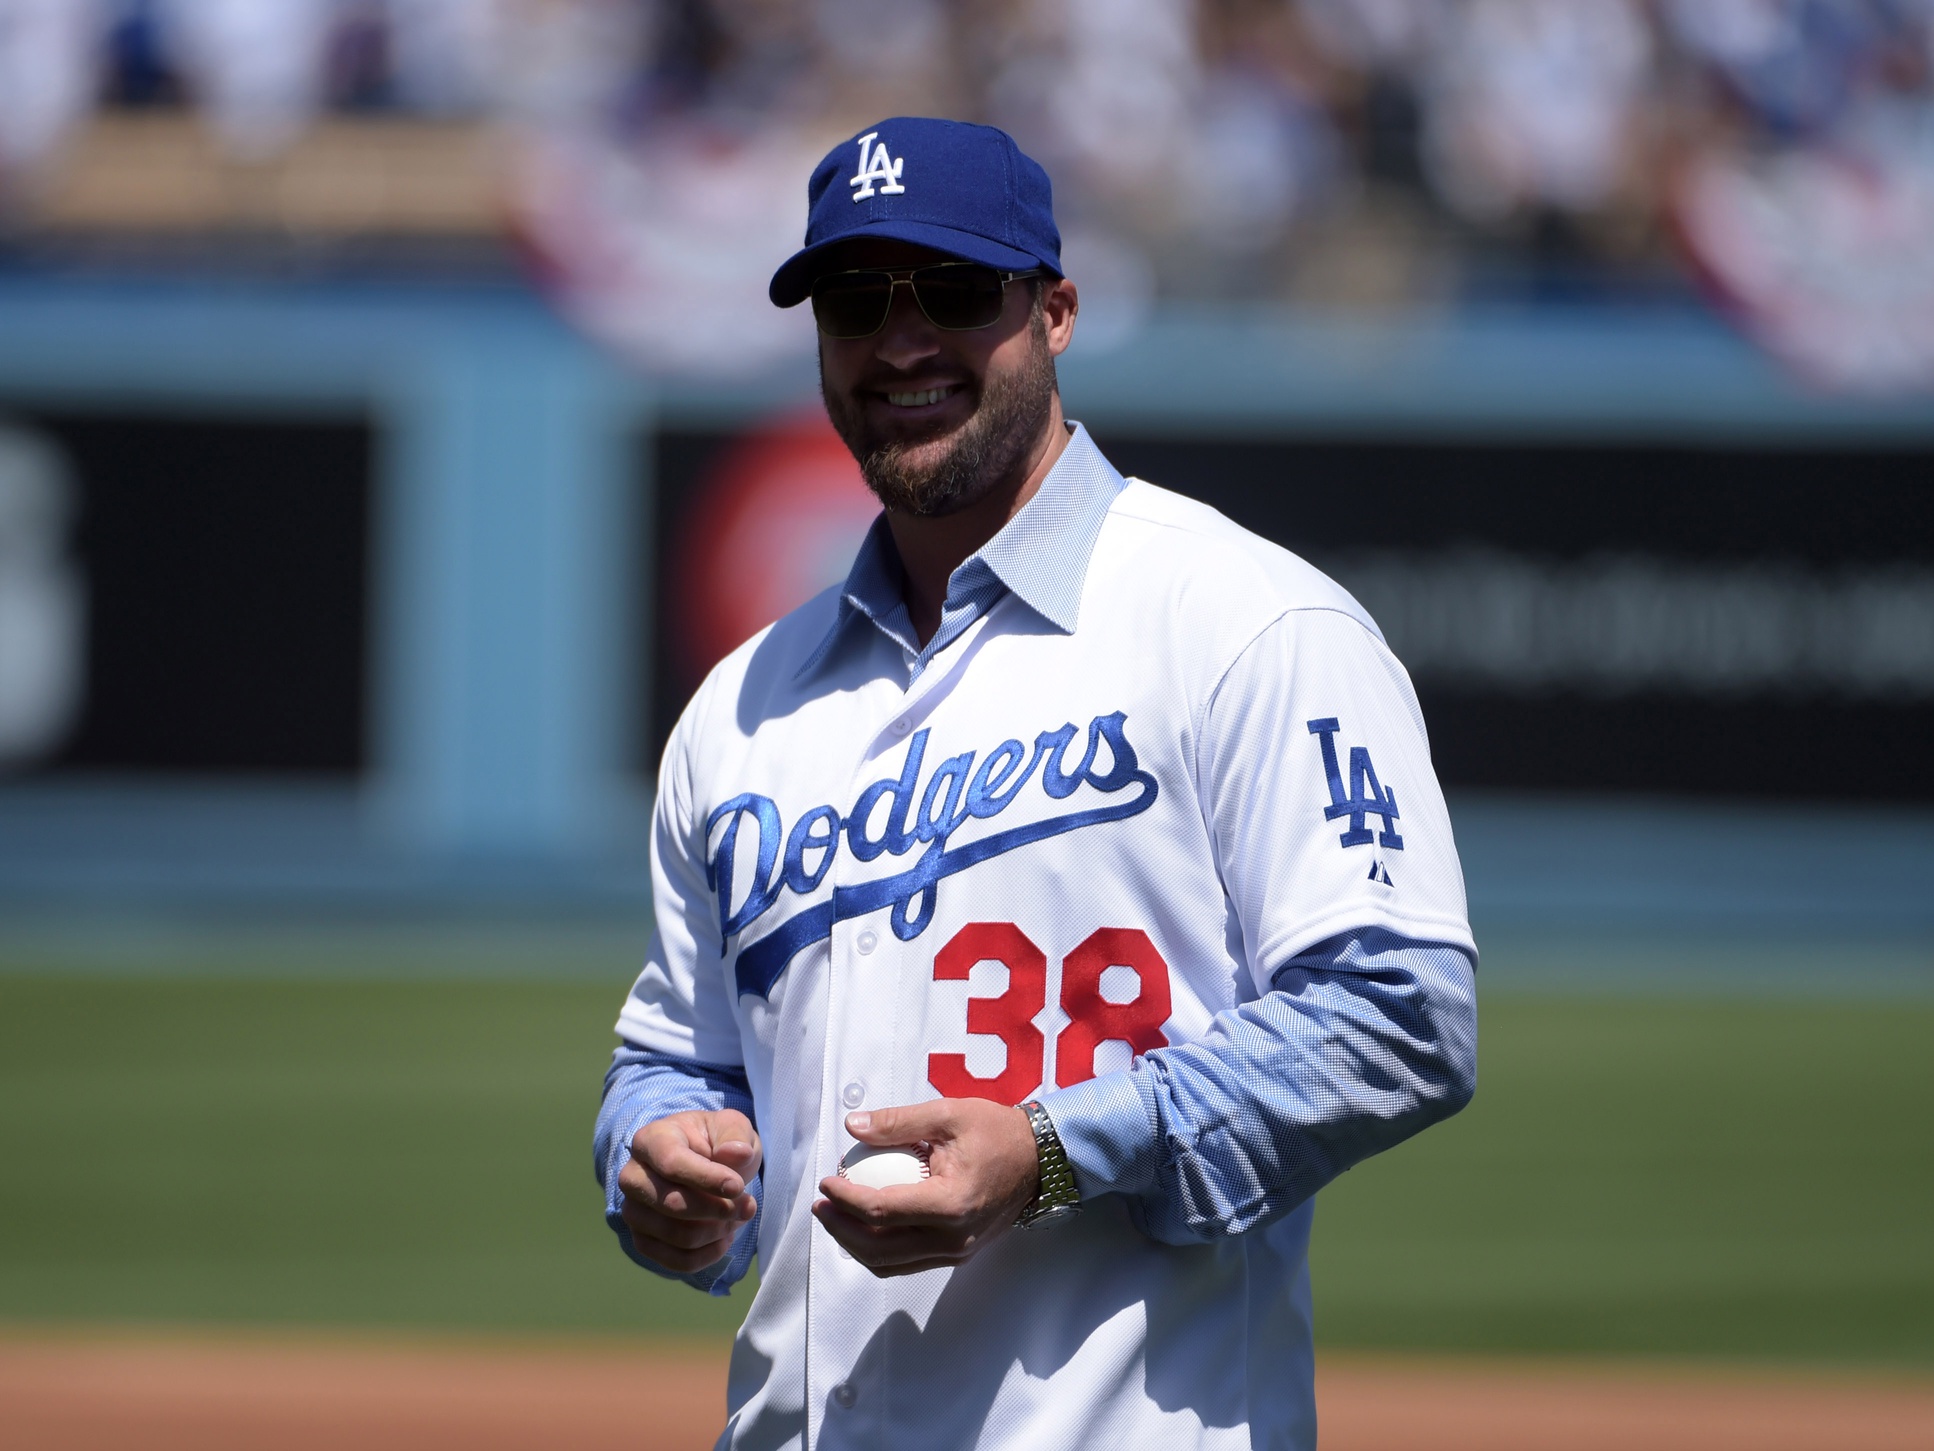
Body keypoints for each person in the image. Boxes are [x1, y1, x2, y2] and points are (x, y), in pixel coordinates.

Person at [596, 117, 1477, 1450]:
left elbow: (1398, 1012)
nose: (899, 344)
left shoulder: (1240, 619)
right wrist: (652, 1156)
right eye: (853, 302)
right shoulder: (745, 705)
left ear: (1055, 311)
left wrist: (1054, 1151)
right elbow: (675, 1054)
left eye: (953, 293)